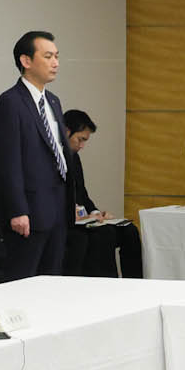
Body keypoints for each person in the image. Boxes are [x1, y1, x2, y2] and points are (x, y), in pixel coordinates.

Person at [0, 28, 76, 280]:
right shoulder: (10, 102)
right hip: (28, 210)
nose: (56, 63)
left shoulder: (54, 101)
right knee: (23, 279)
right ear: (26, 61)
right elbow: (7, 162)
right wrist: (17, 210)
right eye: (48, 56)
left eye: (57, 56)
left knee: (51, 278)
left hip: (57, 205)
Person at [62, 110, 142, 279]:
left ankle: (134, 283)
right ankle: (107, 285)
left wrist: (96, 213)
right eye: (80, 140)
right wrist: (73, 213)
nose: (82, 146)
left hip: (82, 218)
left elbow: (82, 193)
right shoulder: (53, 157)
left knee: (129, 231)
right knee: (104, 235)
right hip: (65, 220)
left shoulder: (74, 157)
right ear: (66, 131)